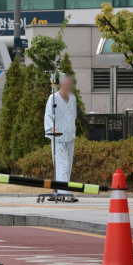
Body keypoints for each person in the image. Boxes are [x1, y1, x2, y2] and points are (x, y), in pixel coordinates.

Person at [44, 74, 78, 202]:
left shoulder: (73, 98)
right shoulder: (53, 98)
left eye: (71, 84)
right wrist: (54, 129)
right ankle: (66, 194)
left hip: (70, 136)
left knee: (67, 165)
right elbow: (48, 117)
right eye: (68, 84)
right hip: (58, 138)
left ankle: (58, 190)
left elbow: (73, 115)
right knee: (62, 165)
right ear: (61, 85)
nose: (70, 87)